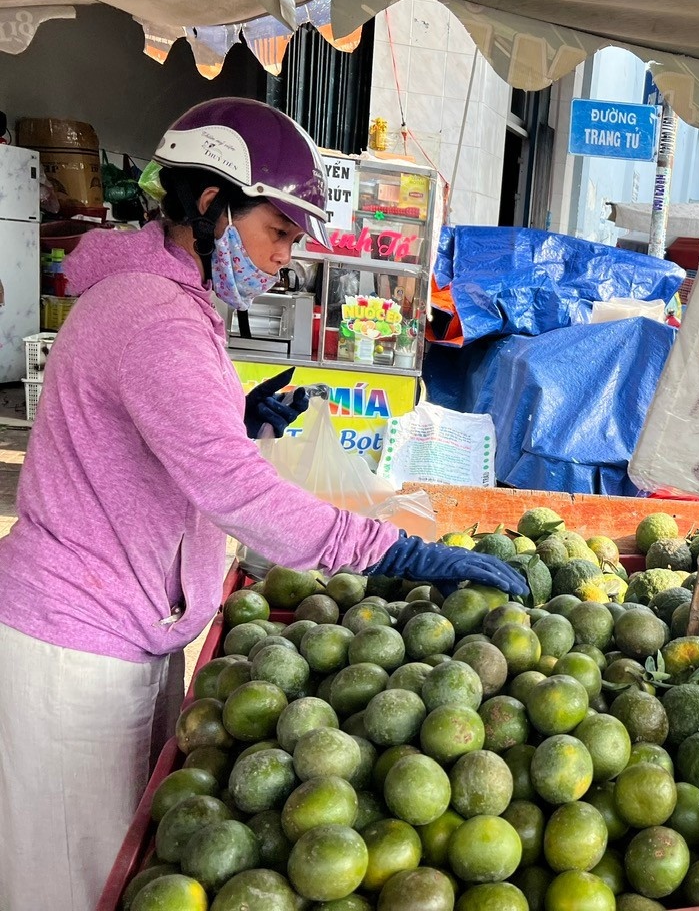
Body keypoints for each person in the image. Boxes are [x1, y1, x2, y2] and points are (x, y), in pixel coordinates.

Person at [0, 98, 528, 909]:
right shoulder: (155, 317)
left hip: (125, 624)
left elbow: (157, 442)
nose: (287, 257)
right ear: (211, 205)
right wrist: (396, 552)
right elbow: (238, 493)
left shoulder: (162, 297)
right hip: (78, 642)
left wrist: (237, 420)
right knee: (78, 885)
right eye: (278, 232)